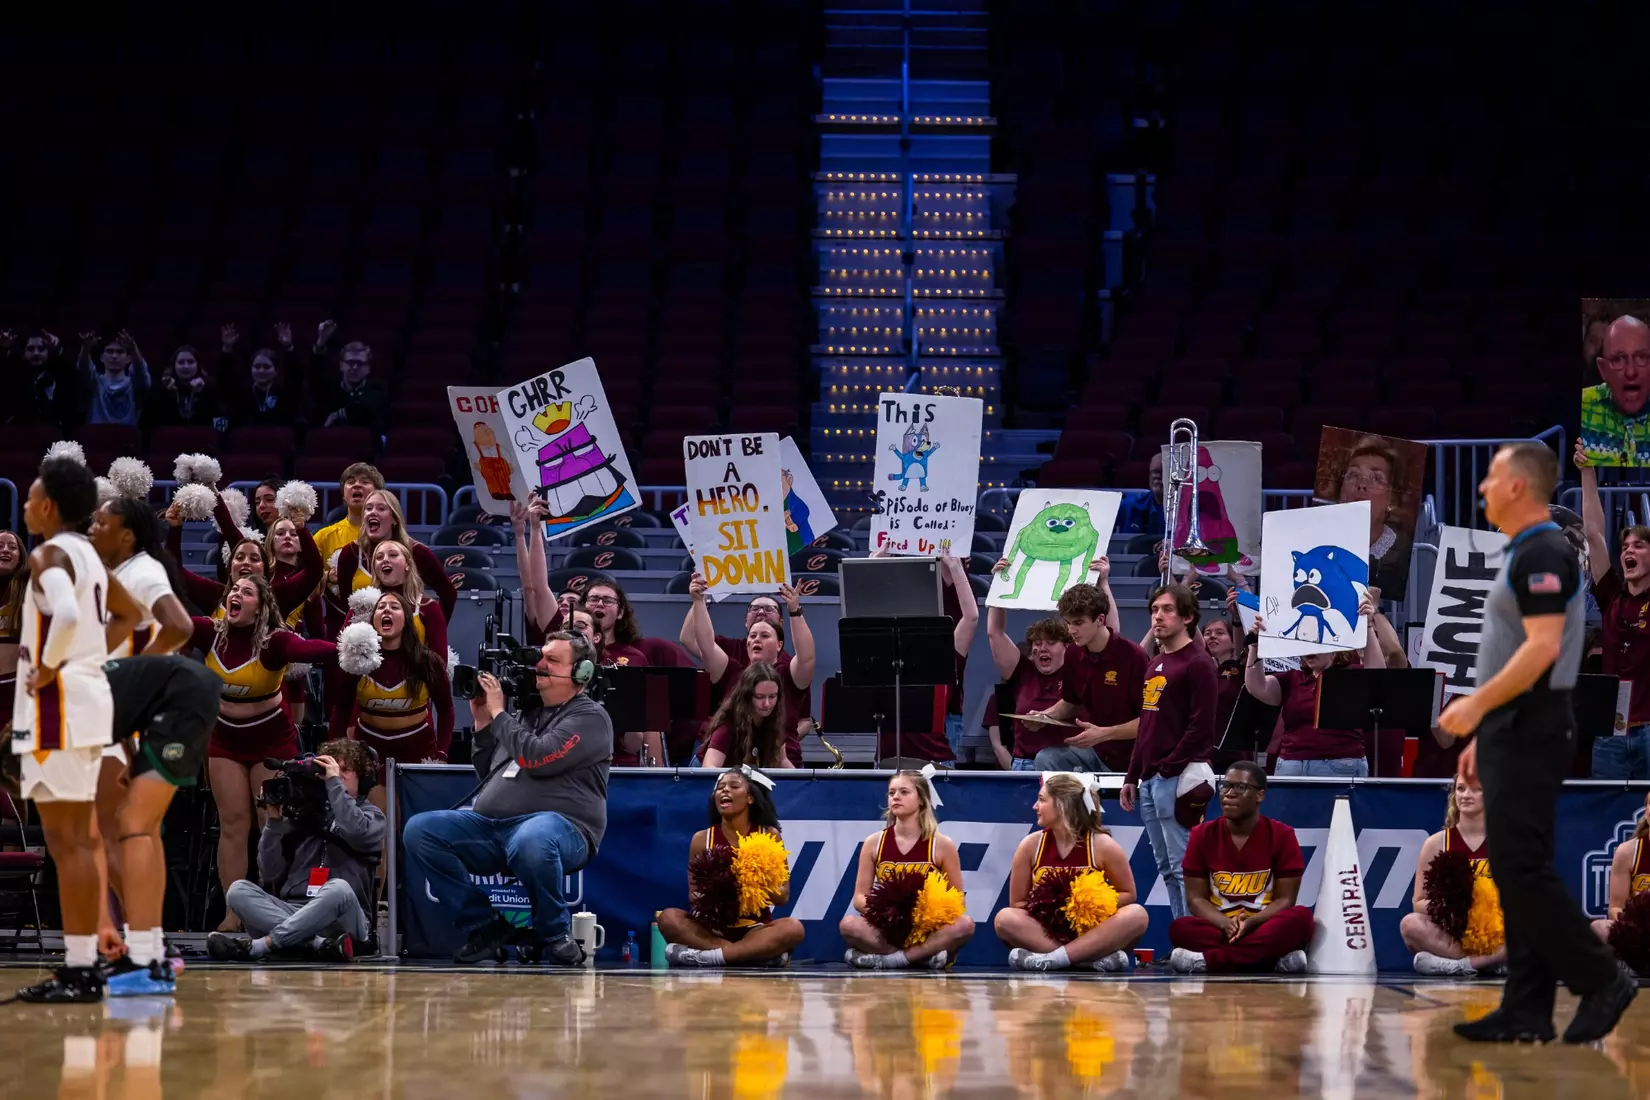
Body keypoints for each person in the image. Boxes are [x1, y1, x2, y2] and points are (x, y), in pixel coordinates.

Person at [1438, 441, 1634, 1044]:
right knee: (1516, 867)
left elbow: (1543, 647)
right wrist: (1485, 732)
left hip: (1535, 723)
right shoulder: (1525, 550)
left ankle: (1601, 978)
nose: (1483, 488)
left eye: (1492, 478)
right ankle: (1527, 1007)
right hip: (1513, 725)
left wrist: (1476, 705)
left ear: (1519, 486)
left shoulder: (1546, 549)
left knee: (1521, 868)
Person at [9, 456, 144, 1003]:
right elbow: (129, 614)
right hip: (90, 703)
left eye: (30, 496)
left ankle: (80, 967)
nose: (24, 505)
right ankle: (91, 961)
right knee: (83, 841)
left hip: (57, 707)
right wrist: (88, 658)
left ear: (48, 506)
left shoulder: (48, 554)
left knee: (67, 845)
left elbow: (64, 616)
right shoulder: (89, 553)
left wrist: (50, 667)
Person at [402, 632, 611, 966]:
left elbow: (538, 758)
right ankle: (484, 925)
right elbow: (489, 773)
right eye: (541, 657)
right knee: (421, 830)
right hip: (493, 827)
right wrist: (483, 723)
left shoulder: (590, 718)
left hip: (565, 830)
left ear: (580, 673)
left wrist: (500, 714)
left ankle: (554, 932)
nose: (540, 665)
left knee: (533, 838)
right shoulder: (527, 714)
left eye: (552, 660)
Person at [191, 576, 340, 931]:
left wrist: (350, 648)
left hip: (270, 741)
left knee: (271, 823)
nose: (236, 595)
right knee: (232, 825)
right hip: (225, 740)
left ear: (260, 607)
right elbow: (168, 622)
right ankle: (234, 912)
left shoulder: (275, 641)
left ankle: (276, 908)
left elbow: (314, 650)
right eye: (234, 590)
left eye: (247, 592)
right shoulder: (209, 632)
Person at [87, 497, 195, 938]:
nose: (92, 528)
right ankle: (146, 940)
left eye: (101, 521)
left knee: (114, 834)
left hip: (130, 716)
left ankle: (145, 940)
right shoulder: (117, 574)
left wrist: (134, 675)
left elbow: (181, 626)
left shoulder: (143, 573)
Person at [96, 656, 223, 995]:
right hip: (170, 699)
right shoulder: (73, 700)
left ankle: (144, 955)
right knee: (141, 830)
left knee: (132, 828)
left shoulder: (57, 723)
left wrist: (102, 923)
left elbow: (82, 845)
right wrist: (132, 753)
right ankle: (152, 946)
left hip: (180, 697)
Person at [207, 739, 384, 963]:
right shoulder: (303, 813)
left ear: (364, 779)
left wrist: (333, 783)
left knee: (338, 888)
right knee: (237, 891)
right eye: (332, 769)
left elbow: (354, 830)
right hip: (295, 910)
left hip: (344, 915)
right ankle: (318, 944)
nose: (337, 775)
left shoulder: (372, 816)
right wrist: (273, 823)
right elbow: (269, 873)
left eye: (345, 770)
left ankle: (261, 946)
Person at [1120, 584, 1219, 920]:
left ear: (1188, 617)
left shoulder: (1199, 663)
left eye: (1167, 610)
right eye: (1154, 610)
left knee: (1183, 867)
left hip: (1178, 776)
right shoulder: (1155, 664)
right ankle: (1182, 935)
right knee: (1166, 867)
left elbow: (1201, 727)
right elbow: (1146, 726)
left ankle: (1195, 937)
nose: (1158, 617)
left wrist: (1168, 769)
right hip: (1151, 778)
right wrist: (1132, 775)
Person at [1168, 761, 1313, 974]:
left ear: (1259, 795)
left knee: (1301, 919)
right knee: (1181, 928)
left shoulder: (1282, 835)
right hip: (1220, 927)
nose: (1229, 793)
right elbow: (1195, 899)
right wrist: (1225, 923)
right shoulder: (1202, 835)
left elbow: (1286, 900)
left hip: (1263, 924)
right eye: (1225, 786)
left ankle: (1207, 961)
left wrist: (1253, 922)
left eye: (1240, 787)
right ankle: (1272, 961)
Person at [993, 773, 1148, 971]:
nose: (1035, 806)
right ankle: (1085, 961)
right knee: (1005, 919)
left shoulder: (1103, 845)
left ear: (1063, 805)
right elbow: (1017, 903)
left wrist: (1088, 906)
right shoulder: (1030, 845)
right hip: (1048, 930)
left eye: (1041, 800)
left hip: (1093, 929)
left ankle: (1054, 959)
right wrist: (1054, 908)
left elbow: (1128, 894)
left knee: (1137, 915)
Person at [658, 767, 805, 967]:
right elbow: (694, 895)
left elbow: (783, 896)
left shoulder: (769, 835)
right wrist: (717, 891)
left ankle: (711, 957)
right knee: (668, 918)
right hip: (712, 930)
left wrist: (748, 882)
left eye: (734, 786)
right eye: (720, 788)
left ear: (750, 798)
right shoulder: (702, 839)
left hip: (755, 928)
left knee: (793, 928)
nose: (725, 790)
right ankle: (753, 956)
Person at [840, 770, 975, 969]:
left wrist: (925, 915)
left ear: (921, 800)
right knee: (849, 925)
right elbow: (859, 897)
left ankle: (893, 959)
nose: (895, 797)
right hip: (888, 926)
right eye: (891, 792)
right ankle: (923, 956)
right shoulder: (874, 842)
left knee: (965, 924)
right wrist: (887, 914)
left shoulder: (942, 844)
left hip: (927, 928)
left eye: (904, 792)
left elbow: (958, 899)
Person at [1242, 590, 1383, 777]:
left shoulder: (1351, 674)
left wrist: (1368, 625)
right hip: (1292, 764)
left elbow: (1377, 674)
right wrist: (1255, 645)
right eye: (1305, 643)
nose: (1309, 650)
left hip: (1341, 763)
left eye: (1316, 642)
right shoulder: (1292, 678)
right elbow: (1256, 687)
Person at [684, 576, 816, 767]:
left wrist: (795, 611)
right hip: (726, 765)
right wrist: (699, 601)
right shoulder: (732, 671)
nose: (756, 639)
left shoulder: (788, 675)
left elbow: (807, 657)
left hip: (772, 762)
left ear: (779, 644)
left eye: (764, 635)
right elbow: (706, 644)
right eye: (752, 635)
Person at [1576, 441, 1650, 778]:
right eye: (1625, 546)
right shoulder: (1612, 597)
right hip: (1612, 733)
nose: (1628, 551)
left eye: (1639, 545)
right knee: (1605, 809)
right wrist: (1587, 470)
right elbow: (1593, 534)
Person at [1026, 583, 1147, 773]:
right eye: (1068, 623)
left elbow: (1151, 721)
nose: (1071, 630)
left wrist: (1105, 734)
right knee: (1046, 759)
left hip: (1135, 756)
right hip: (1098, 751)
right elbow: (1071, 702)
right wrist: (1045, 716)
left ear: (1100, 619)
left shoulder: (1134, 657)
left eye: (1078, 623)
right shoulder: (1073, 654)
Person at [330, 590, 454, 774]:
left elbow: (446, 710)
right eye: (381, 607)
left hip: (417, 753)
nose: (386, 610)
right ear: (373, 621)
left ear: (406, 621)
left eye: (395, 607)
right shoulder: (357, 661)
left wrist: (441, 754)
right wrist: (336, 755)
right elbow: (341, 711)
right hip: (369, 755)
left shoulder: (427, 661)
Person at [1400, 778, 1508, 977]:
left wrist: (1487, 904)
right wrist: (1453, 905)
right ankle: (1490, 962)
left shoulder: (1507, 841)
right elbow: (1419, 902)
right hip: (1457, 933)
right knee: (1410, 924)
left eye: (1476, 789)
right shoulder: (1436, 843)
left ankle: (1462, 965)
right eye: (1461, 789)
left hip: (1499, 930)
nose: (1466, 795)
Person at [323, 489, 456, 636]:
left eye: (381, 508)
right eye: (368, 508)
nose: (373, 512)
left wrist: (433, 632)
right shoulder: (350, 554)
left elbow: (448, 594)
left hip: (410, 641)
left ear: (394, 519)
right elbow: (345, 606)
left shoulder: (418, 553)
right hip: (367, 642)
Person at [984, 609, 1072, 771]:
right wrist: (998, 598)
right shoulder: (1023, 671)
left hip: (1066, 767)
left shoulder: (1078, 673)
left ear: (1066, 647)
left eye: (1051, 642)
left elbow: (1109, 632)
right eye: (1037, 643)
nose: (1043, 648)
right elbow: (994, 632)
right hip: (1025, 765)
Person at [1327, 435, 1411, 592]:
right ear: (1341, 493)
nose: (1362, 484)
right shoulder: (1318, 542)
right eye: (1353, 475)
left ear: (1392, 500)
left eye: (1376, 478)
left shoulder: (1407, 556)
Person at [1581, 314, 1650, 466]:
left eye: (1642, 357)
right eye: (1618, 359)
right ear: (1603, 369)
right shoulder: (1581, 407)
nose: (1631, 372)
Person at [700, 662, 794, 769]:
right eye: (760, 697)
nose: (767, 704)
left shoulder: (774, 722)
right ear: (747, 696)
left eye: (772, 696)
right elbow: (708, 767)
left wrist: (802, 777)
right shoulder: (727, 726)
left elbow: (782, 760)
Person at [1592, 789, 1650, 944]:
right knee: (1598, 927)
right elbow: (1615, 907)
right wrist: (1635, 926)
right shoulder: (1627, 852)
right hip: (1638, 932)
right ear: (1647, 812)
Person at [313, 462, 385, 563]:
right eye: (351, 482)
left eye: (365, 482)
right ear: (344, 495)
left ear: (378, 494)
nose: (357, 485)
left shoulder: (390, 535)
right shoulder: (324, 537)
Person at [76, 330, 150, 427]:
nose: (114, 356)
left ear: (129, 359)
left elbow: (140, 370)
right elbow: (83, 368)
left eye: (120, 352)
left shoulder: (134, 383)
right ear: (102, 357)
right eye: (109, 351)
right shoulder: (94, 381)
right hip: (97, 434)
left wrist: (133, 349)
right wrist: (86, 349)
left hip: (126, 434)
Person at [145, 344, 224, 431]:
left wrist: (203, 394)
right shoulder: (160, 390)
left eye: (190, 362)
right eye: (181, 362)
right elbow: (148, 422)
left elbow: (221, 425)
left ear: (198, 365)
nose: (186, 366)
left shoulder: (210, 390)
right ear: (174, 366)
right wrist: (165, 393)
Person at [0, 530, 30, 730]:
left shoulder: (28, 588)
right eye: (0, 546)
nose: (5, 550)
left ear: (20, 557)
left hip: (14, 686)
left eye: (12, 547)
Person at [1118, 450, 1164, 534]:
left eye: (1163, 471)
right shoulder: (1130, 505)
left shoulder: (1185, 510)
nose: (1156, 476)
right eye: (1154, 472)